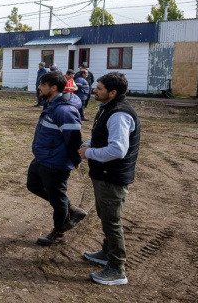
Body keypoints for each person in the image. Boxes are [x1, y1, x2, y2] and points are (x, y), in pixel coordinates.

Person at [79, 72, 140, 286]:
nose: (95, 89)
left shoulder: (119, 114)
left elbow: (117, 149)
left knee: (112, 222)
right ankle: (107, 253)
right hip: (105, 175)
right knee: (106, 217)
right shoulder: (109, 108)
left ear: (112, 93)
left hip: (112, 177)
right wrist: (90, 143)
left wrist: (89, 153)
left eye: (100, 88)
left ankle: (117, 268)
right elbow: (103, 138)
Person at [27, 71, 87, 246]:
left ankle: (59, 234)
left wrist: (76, 161)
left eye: (42, 85)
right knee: (33, 185)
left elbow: (74, 140)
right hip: (42, 158)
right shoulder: (52, 104)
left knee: (57, 198)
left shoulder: (65, 110)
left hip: (55, 163)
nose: (39, 87)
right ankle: (72, 209)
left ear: (53, 88)